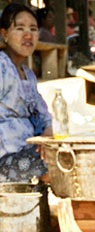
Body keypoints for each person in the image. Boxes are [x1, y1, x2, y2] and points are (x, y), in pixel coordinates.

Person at [0, 3, 52, 183]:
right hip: (5, 159)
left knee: (68, 156)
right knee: (59, 167)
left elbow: (44, 117)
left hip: (27, 152)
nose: (28, 35)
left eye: (33, 29)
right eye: (19, 28)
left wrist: (47, 139)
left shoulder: (28, 75)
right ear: (4, 34)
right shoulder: (1, 67)